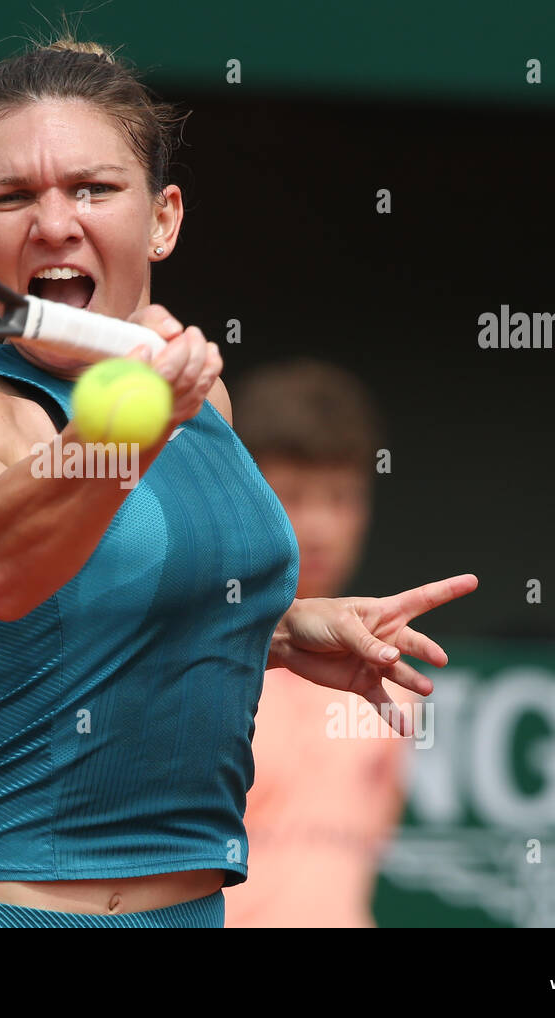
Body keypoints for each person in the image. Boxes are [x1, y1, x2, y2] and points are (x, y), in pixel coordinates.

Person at [0, 34, 476, 928]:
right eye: (11, 197)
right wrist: (127, 421)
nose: (53, 222)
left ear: (163, 219)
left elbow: (110, 607)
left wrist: (284, 626)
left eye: (93, 188)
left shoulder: (204, 401)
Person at [223, 359, 417, 927]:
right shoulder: (194, 652)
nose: (321, 527)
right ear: (246, 497)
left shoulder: (393, 679)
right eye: (295, 495)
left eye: (342, 497)